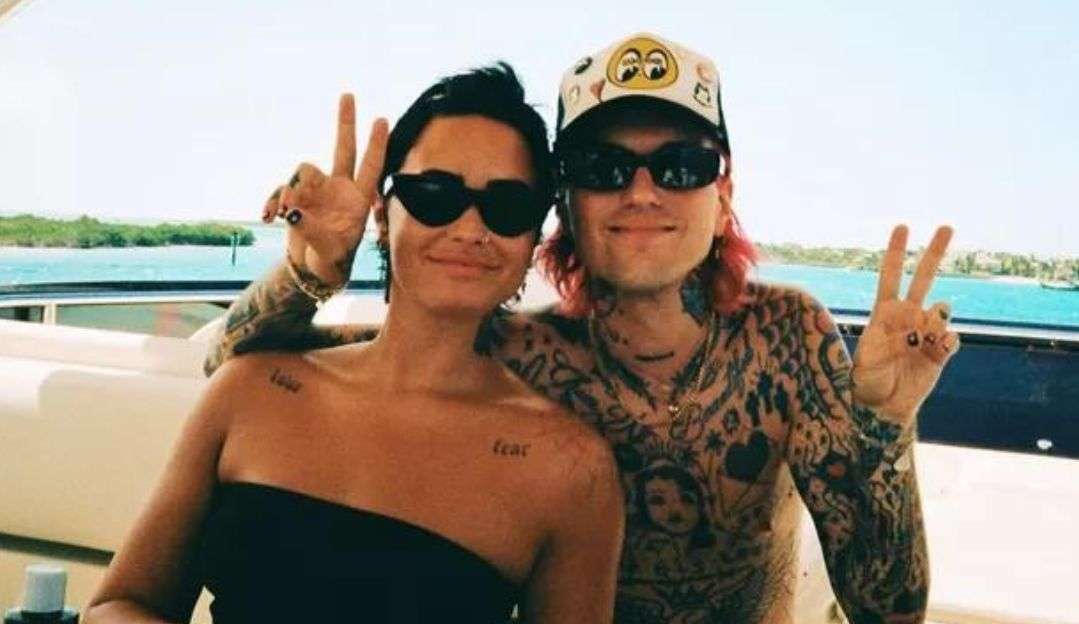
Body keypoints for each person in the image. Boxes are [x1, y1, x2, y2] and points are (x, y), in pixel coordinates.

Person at [203, 33, 960, 624]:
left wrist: (883, 427)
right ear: (565, 205)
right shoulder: (525, 356)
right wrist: (311, 271)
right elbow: (237, 363)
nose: (641, 192)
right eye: (603, 167)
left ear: (723, 194)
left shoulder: (786, 337)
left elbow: (887, 610)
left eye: (681, 165)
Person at [84, 64, 624, 624]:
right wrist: (313, 268)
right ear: (382, 214)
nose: (469, 229)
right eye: (434, 194)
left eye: (508, 205)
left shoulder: (567, 468)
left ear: (533, 238)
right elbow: (117, 606)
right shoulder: (251, 388)